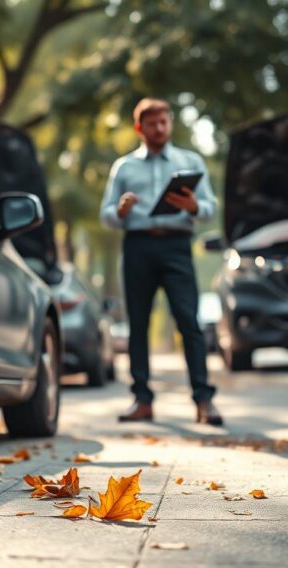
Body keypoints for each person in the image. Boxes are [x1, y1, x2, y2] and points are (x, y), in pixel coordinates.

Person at [100, 98, 223, 425]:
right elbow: (107, 215)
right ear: (140, 128)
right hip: (138, 246)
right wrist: (121, 211)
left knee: (189, 321)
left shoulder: (190, 161)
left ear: (170, 123)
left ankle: (203, 400)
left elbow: (211, 208)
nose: (160, 128)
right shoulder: (124, 167)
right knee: (137, 324)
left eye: (164, 122)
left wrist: (194, 206)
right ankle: (142, 400)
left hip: (177, 246)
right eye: (152, 124)